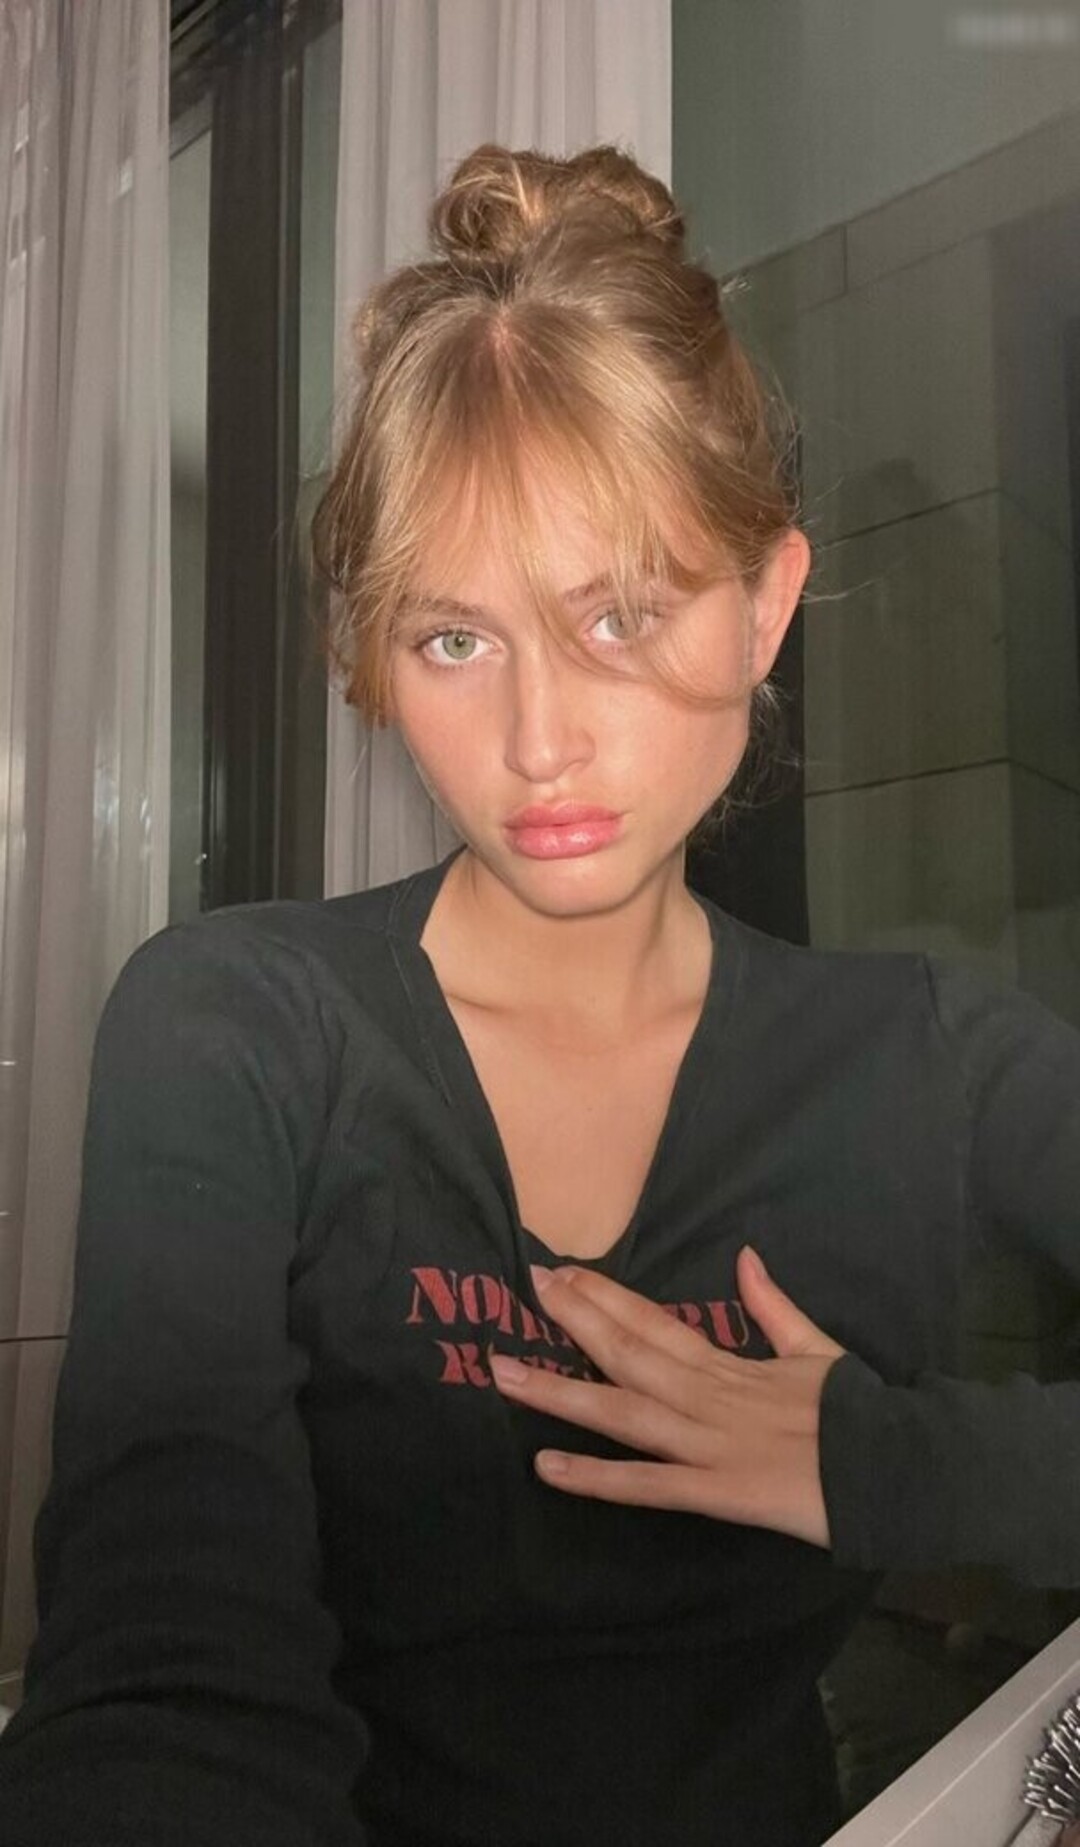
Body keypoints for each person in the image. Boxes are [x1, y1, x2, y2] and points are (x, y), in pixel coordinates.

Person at [0, 142, 1078, 1847]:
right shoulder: (241, 1032)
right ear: (372, 652)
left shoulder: (931, 1061)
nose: (538, 741)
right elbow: (164, 1673)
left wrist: (882, 1460)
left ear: (766, 606)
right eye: (455, 639)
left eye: (621, 615)